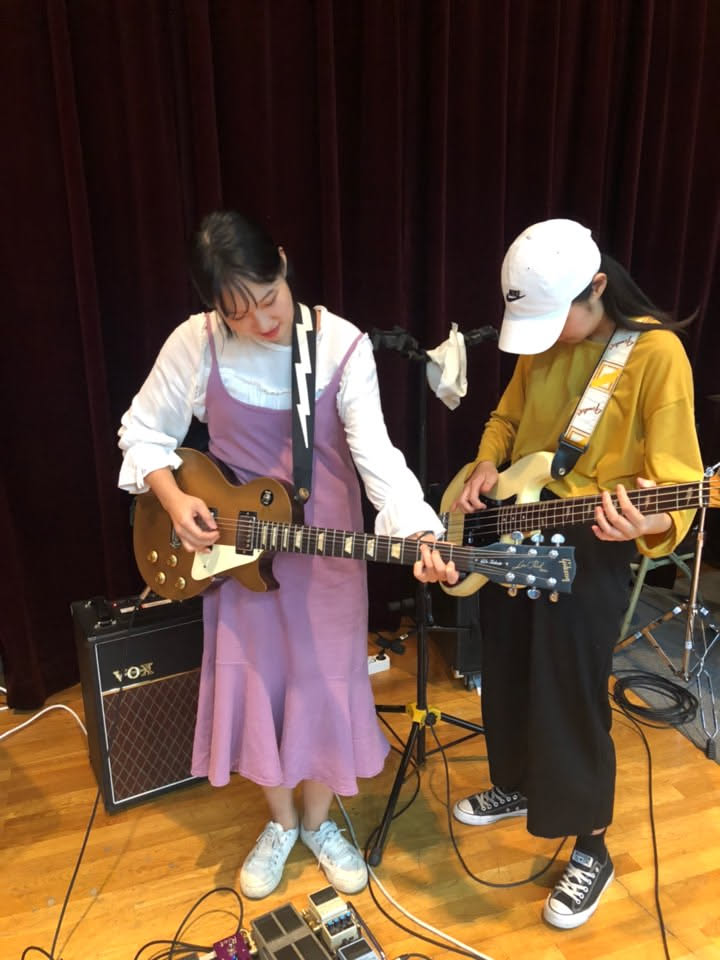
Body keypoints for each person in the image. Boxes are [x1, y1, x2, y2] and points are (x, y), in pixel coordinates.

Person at [118, 210, 451, 899]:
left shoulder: (340, 346)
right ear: (215, 308)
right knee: (258, 684)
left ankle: (320, 823)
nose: (261, 321)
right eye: (237, 312)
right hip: (238, 558)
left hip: (327, 552)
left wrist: (419, 531)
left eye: (268, 298)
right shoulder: (196, 343)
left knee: (325, 684)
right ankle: (281, 823)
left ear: (283, 260)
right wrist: (175, 502)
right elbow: (143, 431)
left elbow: (377, 458)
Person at [416, 218, 703, 929]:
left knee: (571, 692)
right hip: (514, 522)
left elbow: (680, 482)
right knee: (507, 666)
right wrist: (486, 462)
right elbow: (506, 419)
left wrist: (647, 525)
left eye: (559, 319)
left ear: (597, 287)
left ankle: (591, 847)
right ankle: (516, 784)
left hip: (590, 539)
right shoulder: (543, 341)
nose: (548, 336)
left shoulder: (655, 354)